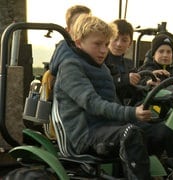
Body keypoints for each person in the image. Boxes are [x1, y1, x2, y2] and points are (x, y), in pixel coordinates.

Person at [52, 14, 153, 179]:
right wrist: (131, 113)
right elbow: (93, 103)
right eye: (97, 44)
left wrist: (140, 112)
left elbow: (112, 101)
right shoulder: (70, 67)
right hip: (86, 135)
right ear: (78, 42)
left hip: (106, 128)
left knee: (161, 130)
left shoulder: (100, 67)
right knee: (130, 134)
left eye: (106, 44)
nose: (103, 50)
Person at [104, 19, 140, 105]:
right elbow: (101, 83)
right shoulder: (101, 60)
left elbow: (135, 88)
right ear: (108, 39)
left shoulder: (129, 65)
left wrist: (148, 82)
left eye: (124, 40)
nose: (119, 44)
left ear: (130, 43)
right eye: (115, 39)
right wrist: (125, 79)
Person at [49, 4, 91, 76]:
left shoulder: (97, 50)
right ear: (67, 30)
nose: (84, 28)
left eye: (88, 23)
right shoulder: (67, 58)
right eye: (78, 24)